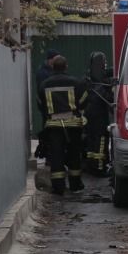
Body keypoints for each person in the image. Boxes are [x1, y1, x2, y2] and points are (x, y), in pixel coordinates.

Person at [38, 56, 88, 195]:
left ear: (52, 67)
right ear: (66, 66)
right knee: (74, 155)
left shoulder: (44, 84)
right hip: (73, 125)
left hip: (54, 127)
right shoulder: (76, 83)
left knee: (56, 156)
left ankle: (58, 187)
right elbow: (84, 100)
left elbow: (40, 105)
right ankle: (75, 185)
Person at [82, 52, 114, 177]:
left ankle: (91, 166)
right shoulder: (101, 85)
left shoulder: (90, 80)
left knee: (91, 142)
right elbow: (109, 99)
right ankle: (99, 168)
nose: (106, 65)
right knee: (100, 142)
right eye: (104, 63)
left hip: (89, 116)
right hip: (99, 117)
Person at [34, 49, 61, 161]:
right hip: (48, 108)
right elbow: (43, 92)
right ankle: (49, 154)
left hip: (55, 108)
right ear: (50, 60)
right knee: (49, 131)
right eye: (56, 59)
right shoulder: (43, 73)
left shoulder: (51, 71)